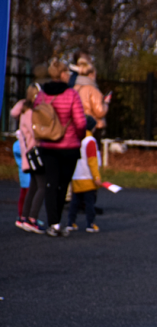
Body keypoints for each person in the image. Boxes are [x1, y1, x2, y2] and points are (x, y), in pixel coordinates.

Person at [34, 59, 87, 237]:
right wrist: (78, 137)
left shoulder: (42, 95)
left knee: (51, 183)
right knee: (63, 184)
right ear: (63, 74)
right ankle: (57, 221)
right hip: (68, 145)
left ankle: (53, 223)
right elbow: (81, 123)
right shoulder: (71, 95)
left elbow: (37, 115)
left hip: (47, 144)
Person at [16, 84, 46, 234]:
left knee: (34, 186)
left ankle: (24, 216)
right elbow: (35, 132)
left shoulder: (24, 111)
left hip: (30, 152)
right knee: (42, 186)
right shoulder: (30, 113)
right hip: (34, 152)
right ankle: (31, 218)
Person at [66, 116, 102, 233]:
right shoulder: (90, 141)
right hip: (87, 176)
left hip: (76, 175)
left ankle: (71, 222)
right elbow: (92, 161)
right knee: (89, 203)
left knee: (75, 202)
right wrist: (96, 176)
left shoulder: (76, 138)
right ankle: (90, 224)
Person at [73, 57, 110, 143]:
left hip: (78, 124)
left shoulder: (74, 88)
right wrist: (106, 103)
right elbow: (100, 111)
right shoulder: (92, 90)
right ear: (91, 75)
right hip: (93, 126)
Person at [10, 101, 30, 229]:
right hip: (26, 172)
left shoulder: (19, 142)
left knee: (26, 194)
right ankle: (23, 217)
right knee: (26, 194)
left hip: (25, 172)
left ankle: (25, 216)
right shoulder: (20, 142)